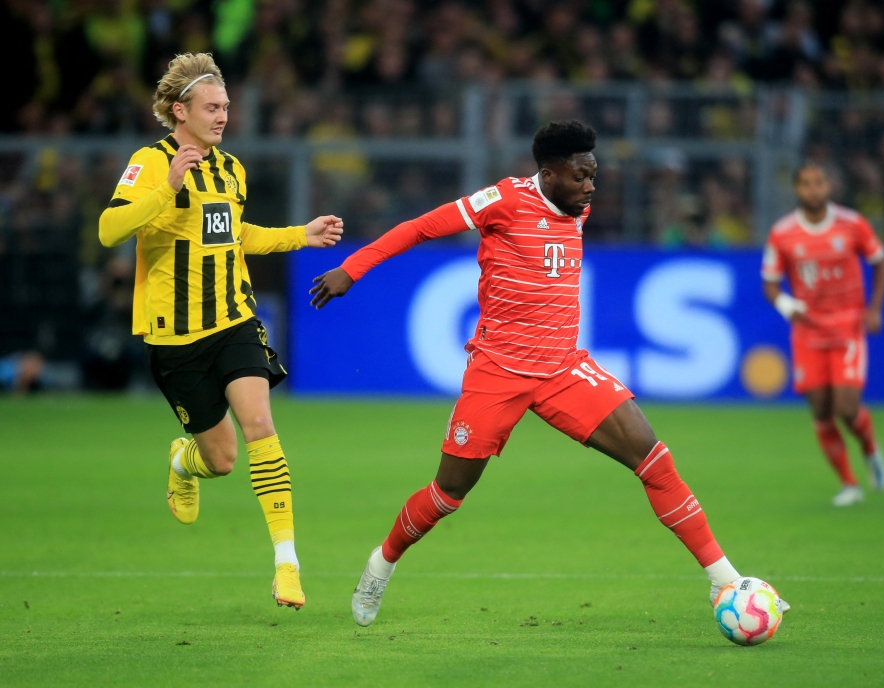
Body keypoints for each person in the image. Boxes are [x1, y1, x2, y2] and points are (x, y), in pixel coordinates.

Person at [310, 120, 789, 626]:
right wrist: (352, 269)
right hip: (497, 371)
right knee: (448, 494)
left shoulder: (576, 207)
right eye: (581, 176)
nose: (590, 186)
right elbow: (421, 227)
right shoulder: (503, 200)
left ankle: (726, 581)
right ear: (549, 173)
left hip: (563, 367)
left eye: (594, 174)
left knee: (655, 461)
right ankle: (381, 563)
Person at [98, 53, 343, 608]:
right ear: (179, 111)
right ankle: (184, 460)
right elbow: (109, 229)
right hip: (174, 337)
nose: (223, 116)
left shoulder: (231, 170)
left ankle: (287, 564)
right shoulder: (149, 162)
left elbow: (234, 234)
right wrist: (167, 189)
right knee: (222, 459)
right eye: (212, 107)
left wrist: (298, 235)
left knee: (260, 423)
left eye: (227, 106)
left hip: (233, 319)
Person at [761, 162, 884, 507]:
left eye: (819, 182)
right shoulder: (783, 232)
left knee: (846, 407)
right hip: (808, 332)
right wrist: (789, 307)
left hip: (847, 326)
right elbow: (770, 284)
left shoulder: (852, 224)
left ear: (828, 186)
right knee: (820, 410)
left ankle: (870, 448)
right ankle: (849, 484)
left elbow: (880, 262)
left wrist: (874, 308)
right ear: (796, 189)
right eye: (806, 184)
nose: (813, 190)